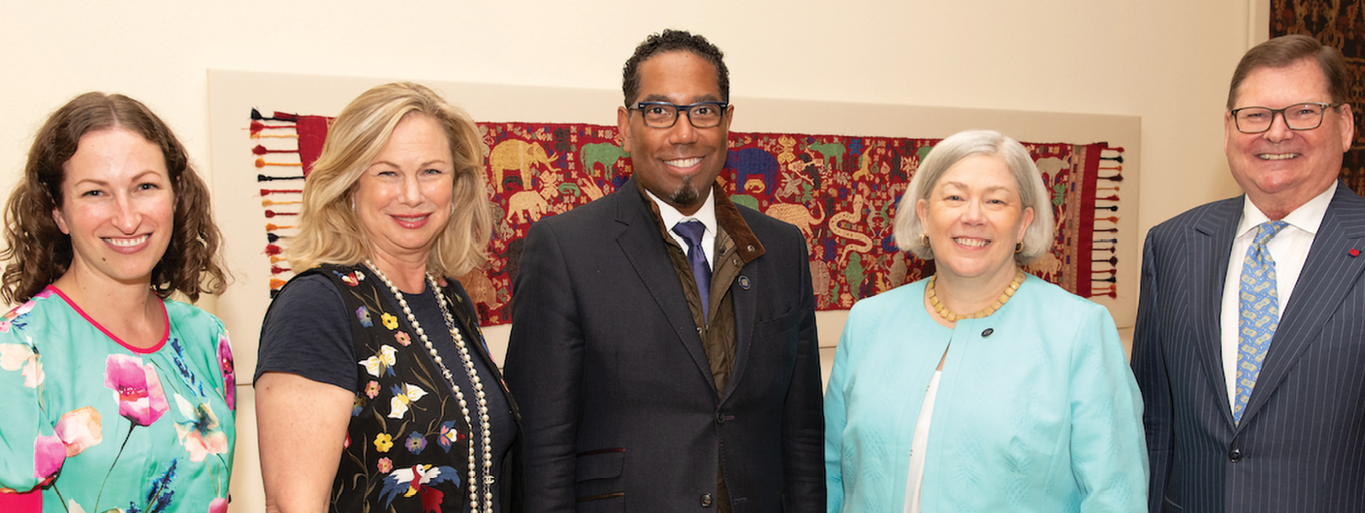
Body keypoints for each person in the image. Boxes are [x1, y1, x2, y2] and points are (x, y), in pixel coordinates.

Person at [503, 29, 825, 512]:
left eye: (703, 110)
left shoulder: (782, 248)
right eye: (658, 111)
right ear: (624, 126)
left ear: (727, 121)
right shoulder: (564, 249)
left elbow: (802, 435)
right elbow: (541, 447)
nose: (684, 133)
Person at [825, 129, 1148, 512]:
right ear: (924, 215)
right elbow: (830, 475)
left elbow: (1115, 495)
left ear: (1024, 223)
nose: (973, 216)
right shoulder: (869, 322)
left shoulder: (1078, 331)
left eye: (995, 200)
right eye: (955, 197)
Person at [254, 82, 520, 513]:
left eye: (431, 171)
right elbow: (292, 505)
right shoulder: (316, 306)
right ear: (349, 185)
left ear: (456, 185)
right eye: (387, 173)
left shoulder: (451, 299)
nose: (412, 195)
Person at [1132, 34, 1362, 512]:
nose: (1276, 133)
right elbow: (1152, 423)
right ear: (1228, 129)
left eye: (1303, 112)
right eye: (1255, 115)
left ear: (1344, 126)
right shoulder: (1171, 246)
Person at [0, 92, 234, 512]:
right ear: (58, 211)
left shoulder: (206, 337)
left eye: (145, 186)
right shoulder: (17, 349)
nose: (127, 218)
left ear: (176, 195)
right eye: (95, 193)